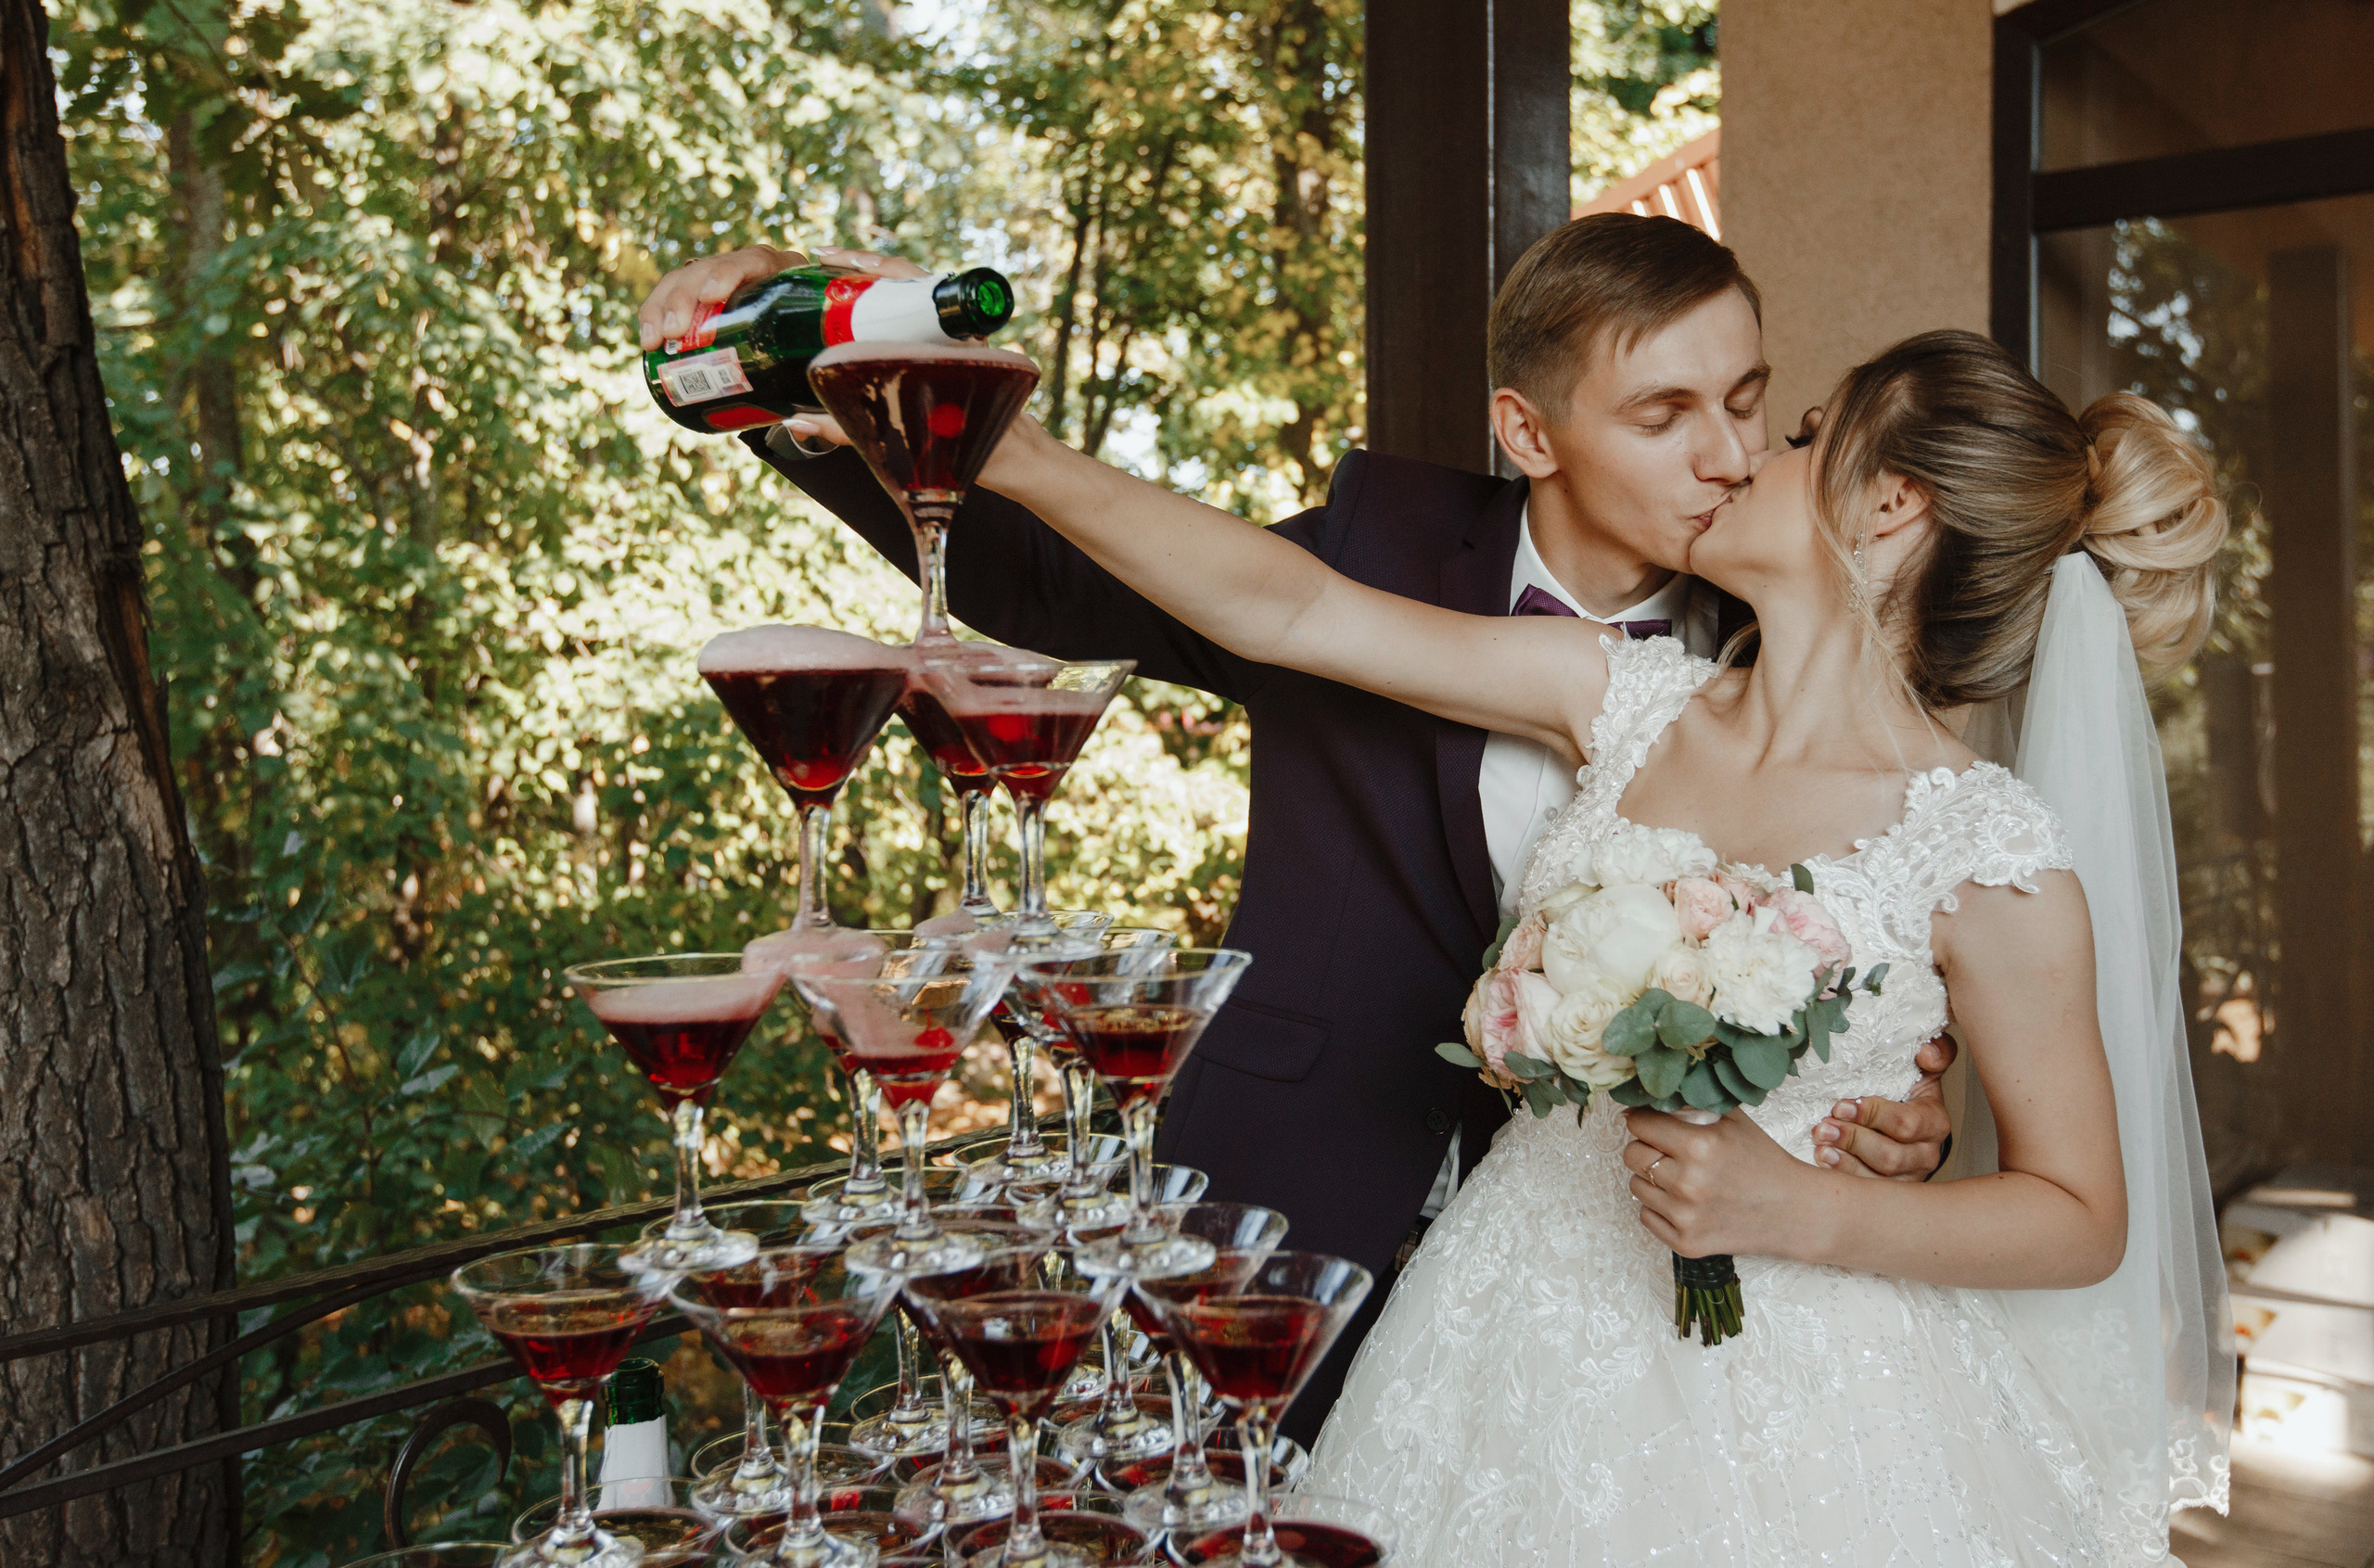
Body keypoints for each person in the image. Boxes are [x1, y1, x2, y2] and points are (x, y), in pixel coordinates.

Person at [903, 325, 2236, 1562]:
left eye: (1798, 436)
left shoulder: (1986, 852)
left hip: (1811, 1400)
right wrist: (1012, 450)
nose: (1741, 460)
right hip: (1496, 1334)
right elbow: (1290, 611)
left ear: (1890, 506)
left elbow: (2082, 1216)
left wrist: (1814, 1209)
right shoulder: (1623, 695)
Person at [639, 214, 1959, 1440]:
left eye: (1745, 401)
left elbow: (1871, 926)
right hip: (1293, 1185)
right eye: (1666, 415)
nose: (1728, 456)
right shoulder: (1372, 551)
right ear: (1531, 432)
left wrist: (1889, 1104)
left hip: (1612, 1269)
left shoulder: (1784, 625)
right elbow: (1050, 582)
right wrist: (803, 385)